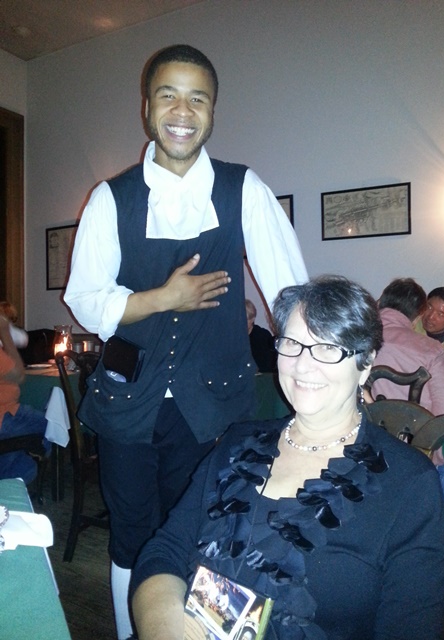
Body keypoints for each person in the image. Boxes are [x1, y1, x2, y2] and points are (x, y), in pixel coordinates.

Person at [64, 44, 307, 639]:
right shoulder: (110, 197)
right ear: (147, 108)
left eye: (198, 98)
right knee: (131, 535)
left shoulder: (243, 188)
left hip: (214, 403)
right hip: (129, 402)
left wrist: (330, 364)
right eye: (168, 95)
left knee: (212, 534)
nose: (182, 110)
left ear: (213, 111)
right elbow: (85, 300)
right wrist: (161, 298)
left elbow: (292, 294)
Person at [131, 275, 444, 640]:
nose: (303, 365)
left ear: (365, 362)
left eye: (328, 347)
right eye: (292, 344)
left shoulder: (410, 485)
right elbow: (165, 551)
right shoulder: (236, 444)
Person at [372, 278, 444, 416]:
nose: (430, 317)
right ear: (420, 311)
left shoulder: (355, 337)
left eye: (440, 314)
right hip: (413, 426)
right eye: (429, 307)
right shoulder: (432, 350)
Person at [0, 308, 49, 484]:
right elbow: (19, 375)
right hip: (5, 417)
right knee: (53, 426)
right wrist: (5, 332)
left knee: (23, 465)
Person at [245, 299, 276, 372]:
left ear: (252, 319)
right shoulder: (233, 338)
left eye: (245, 320)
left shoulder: (262, 336)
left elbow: (267, 365)